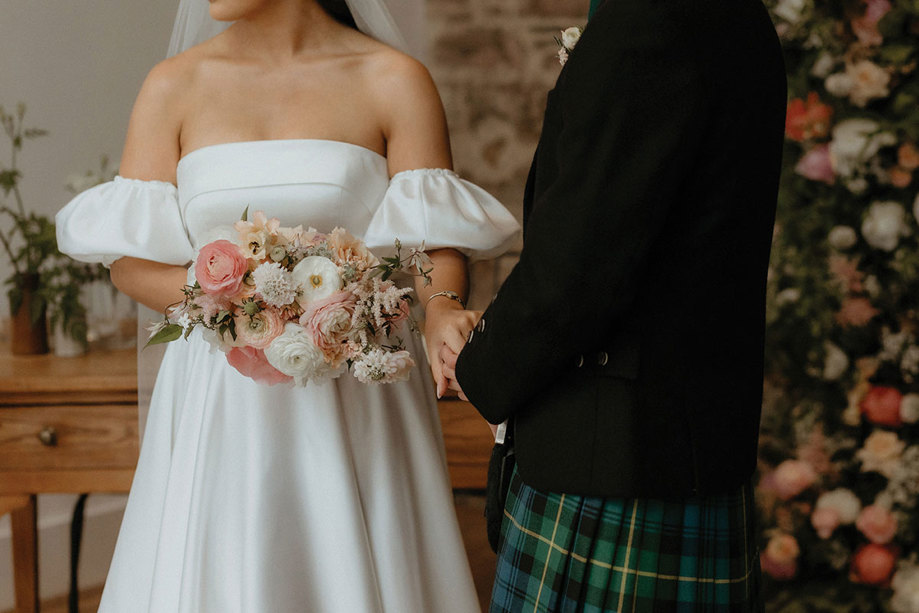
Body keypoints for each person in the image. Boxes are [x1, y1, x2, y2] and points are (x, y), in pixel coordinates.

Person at [55, 0, 518, 610]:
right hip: (221, 394)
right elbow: (131, 261)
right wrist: (239, 301)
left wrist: (441, 308)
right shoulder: (173, 85)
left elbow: (431, 240)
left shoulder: (393, 79)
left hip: (358, 387)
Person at [441, 0, 787, 610]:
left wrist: (479, 365)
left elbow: (580, 264)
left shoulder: (652, 19)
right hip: (677, 449)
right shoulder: (733, 13)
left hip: (616, 463)